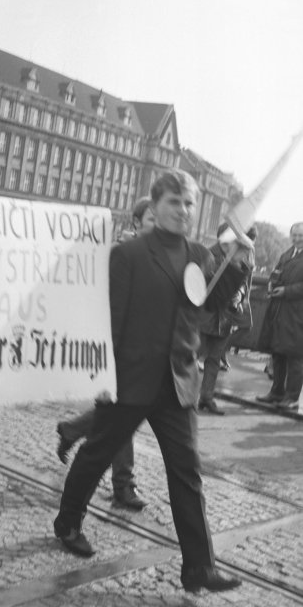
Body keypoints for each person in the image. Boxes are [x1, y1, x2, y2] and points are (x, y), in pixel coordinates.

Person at [52, 169, 252, 593]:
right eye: (175, 202)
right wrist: (103, 375)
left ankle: (199, 567)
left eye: (189, 203)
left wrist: (235, 263)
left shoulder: (201, 253)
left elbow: (213, 303)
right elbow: (109, 320)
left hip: (178, 382)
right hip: (130, 378)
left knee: (187, 473)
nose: (183, 210)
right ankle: (68, 522)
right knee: (97, 454)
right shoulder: (129, 254)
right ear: (156, 204)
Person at [56, 196, 155, 511]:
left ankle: (72, 430)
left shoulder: (164, 256)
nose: (158, 223)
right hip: (120, 354)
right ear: (137, 223)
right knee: (122, 421)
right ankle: (122, 486)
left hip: (149, 356)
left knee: (120, 418)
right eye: (151, 218)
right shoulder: (120, 255)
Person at [197, 224, 256, 415]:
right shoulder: (207, 254)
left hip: (224, 318)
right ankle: (183, 396)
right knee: (191, 357)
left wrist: (238, 296)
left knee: (214, 360)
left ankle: (207, 397)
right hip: (205, 315)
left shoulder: (239, 258)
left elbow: (243, 282)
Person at [256, 222, 303, 409]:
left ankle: (291, 398)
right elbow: (276, 273)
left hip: (297, 315)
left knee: (295, 356)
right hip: (280, 312)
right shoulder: (287, 254)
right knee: (278, 352)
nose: (298, 238)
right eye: (295, 235)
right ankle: (276, 392)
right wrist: (271, 284)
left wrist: (286, 291)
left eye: (301, 235)